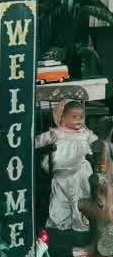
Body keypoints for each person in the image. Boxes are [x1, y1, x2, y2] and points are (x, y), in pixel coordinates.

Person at [35, 100, 98, 233]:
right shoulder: (57, 133)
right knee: (64, 182)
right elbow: (38, 141)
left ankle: (82, 215)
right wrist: (37, 143)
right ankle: (64, 218)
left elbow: (97, 143)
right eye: (74, 117)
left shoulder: (85, 133)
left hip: (80, 164)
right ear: (63, 118)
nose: (79, 120)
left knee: (84, 178)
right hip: (61, 165)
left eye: (81, 117)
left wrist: (97, 148)